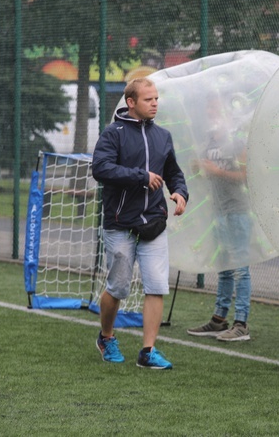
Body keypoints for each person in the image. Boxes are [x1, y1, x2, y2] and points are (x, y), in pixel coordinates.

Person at [91, 77, 188, 369]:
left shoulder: (163, 136)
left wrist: (180, 193)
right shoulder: (113, 134)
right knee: (118, 287)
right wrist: (141, 176)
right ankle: (106, 337)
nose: (155, 103)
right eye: (148, 99)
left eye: (156, 98)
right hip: (120, 223)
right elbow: (101, 168)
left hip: (154, 223)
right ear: (131, 103)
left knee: (156, 285)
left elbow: (174, 173)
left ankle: (148, 351)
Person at [186, 98, 252, 341]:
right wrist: (197, 167)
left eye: (214, 108)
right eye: (209, 109)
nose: (210, 113)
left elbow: (246, 176)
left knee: (240, 270)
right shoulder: (208, 143)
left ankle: (242, 323)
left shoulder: (236, 143)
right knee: (223, 269)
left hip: (237, 211)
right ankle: (218, 319)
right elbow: (203, 174)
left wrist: (216, 171)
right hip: (218, 213)